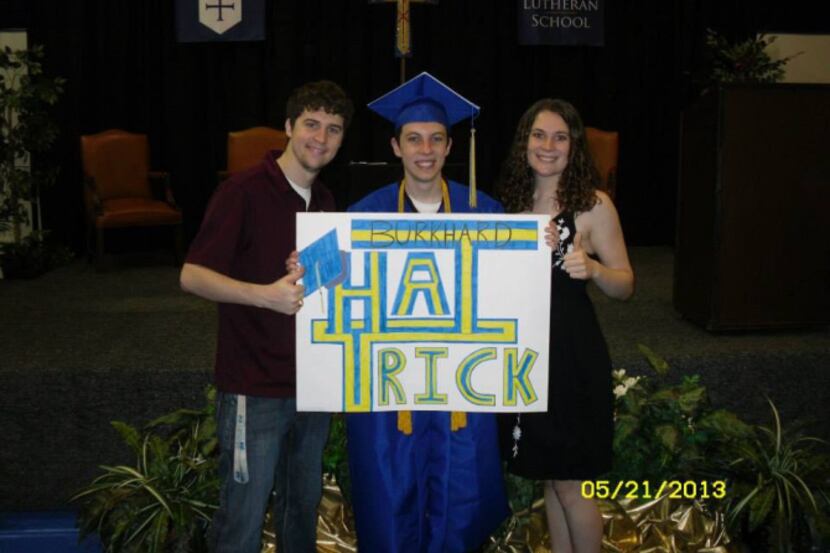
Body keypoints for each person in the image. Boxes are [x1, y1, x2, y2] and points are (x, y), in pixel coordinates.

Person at [179, 80, 353, 553]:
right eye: (311, 125)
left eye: (333, 129)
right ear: (289, 127)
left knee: (302, 510)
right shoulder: (243, 192)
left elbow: (320, 288)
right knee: (244, 516)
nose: (321, 137)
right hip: (253, 387)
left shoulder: (325, 203)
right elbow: (192, 276)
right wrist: (263, 295)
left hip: (311, 387)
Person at [345, 72, 510, 553]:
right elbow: (329, 284)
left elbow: (511, 291)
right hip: (388, 389)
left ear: (450, 145)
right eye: (414, 139)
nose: (425, 149)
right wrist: (307, 264)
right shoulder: (364, 214)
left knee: (461, 490)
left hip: (463, 384)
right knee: (390, 490)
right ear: (395, 147)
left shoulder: (485, 211)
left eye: (436, 139)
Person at [496, 99, 634, 553]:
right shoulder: (511, 204)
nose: (548, 146)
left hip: (572, 357)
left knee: (572, 483)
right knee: (552, 480)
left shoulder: (593, 205)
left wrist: (592, 268)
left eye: (560, 137)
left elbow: (626, 285)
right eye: (539, 135)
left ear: (573, 146)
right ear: (525, 142)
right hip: (527, 355)